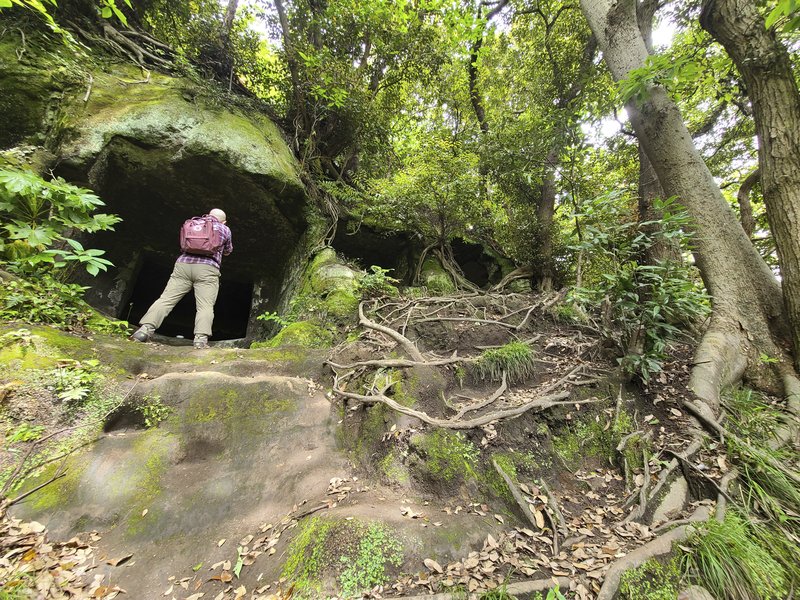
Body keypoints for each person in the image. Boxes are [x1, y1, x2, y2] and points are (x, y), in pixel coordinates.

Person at [130, 208, 233, 349]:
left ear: (208, 215)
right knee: (205, 306)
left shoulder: (194, 222)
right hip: (207, 268)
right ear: (224, 221)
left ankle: (144, 331)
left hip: (183, 264)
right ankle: (200, 340)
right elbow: (227, 251)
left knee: (166, 299)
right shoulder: (224, 229)